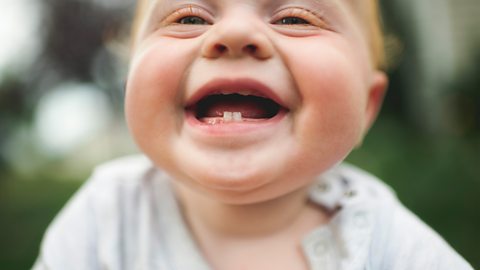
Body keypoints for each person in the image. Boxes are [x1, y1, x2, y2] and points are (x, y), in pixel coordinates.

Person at [33, 0, 474, 269]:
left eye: (296, 17)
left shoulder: (388, 245)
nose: (235, 33)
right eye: (188, 17)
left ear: (366, 105)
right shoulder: (105, 220)